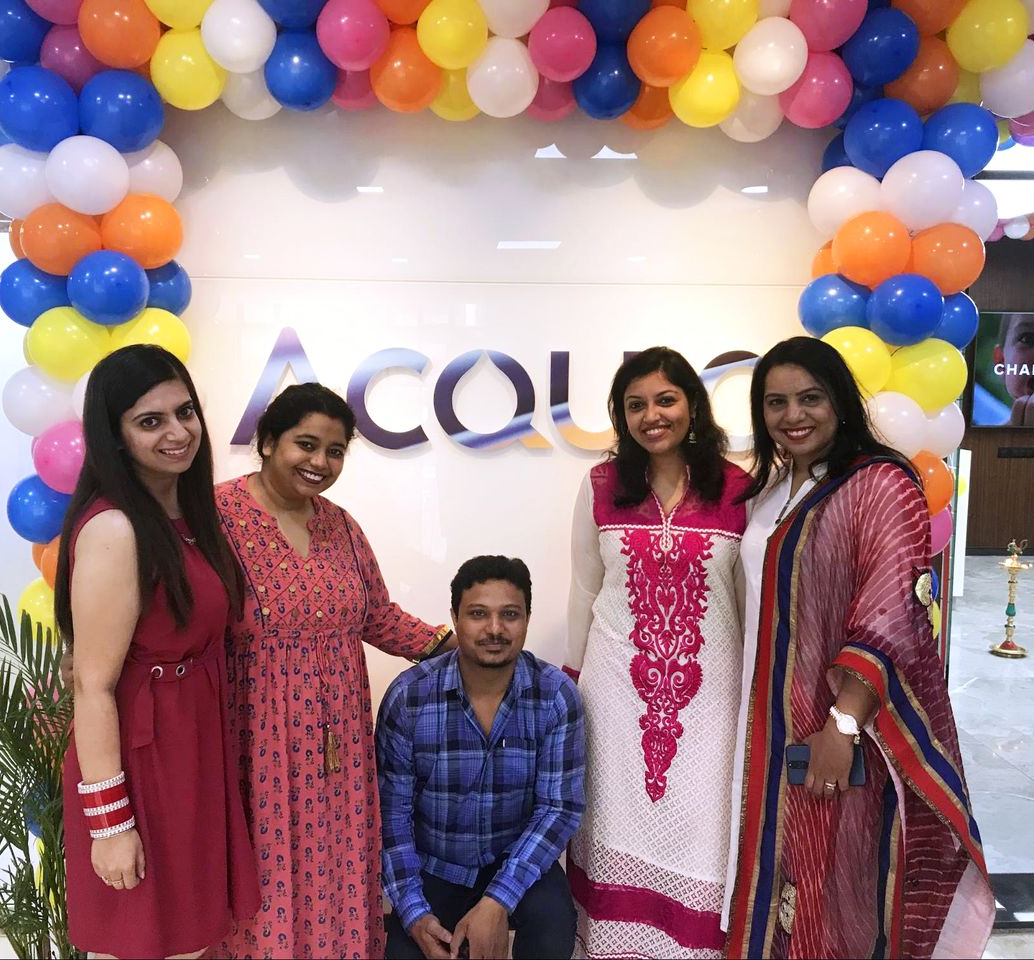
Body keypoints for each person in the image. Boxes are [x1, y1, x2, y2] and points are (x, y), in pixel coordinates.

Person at [724, 337, 994, 959]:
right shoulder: (772, 490)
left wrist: (841, 727)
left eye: (810, 398)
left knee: (834, 880)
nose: (793, 415)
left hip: (838, 729)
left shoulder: (880, 484)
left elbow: (892, 611)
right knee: (777, 876)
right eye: (776, 402)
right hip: (762, 722)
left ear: (841, 401)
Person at [214, 383, 454, 960]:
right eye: (306, 444)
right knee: (266, 880)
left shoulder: (341, 526)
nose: (320, 462)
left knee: (336, 871)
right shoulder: (216, 516)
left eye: (336, 451)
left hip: (339, 751)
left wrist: (457, 646)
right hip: (254, 747)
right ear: (267, 441)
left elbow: (377, 616)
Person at [55, 345, 258, 959]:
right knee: (141, 942)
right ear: (114, 437)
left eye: (184, 411)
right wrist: (110, 823)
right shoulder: (116, 528)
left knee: (187, 941)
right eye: (150, 421)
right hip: (143, 759)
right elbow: (92, 684)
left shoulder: (188, 513)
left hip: (191, 745)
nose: (178, 432)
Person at [566, 346, 749, 959]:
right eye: (635, 405)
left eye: (665, 400)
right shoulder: (600, 486)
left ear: (692, 404)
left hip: (710, 700)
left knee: (704, 831)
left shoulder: (739, 490)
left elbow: (746, 602)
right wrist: (571, 684)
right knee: (612, 821)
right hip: (614, 696)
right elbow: (584, 590)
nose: (652, 416)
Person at [378, 556, 585, 960]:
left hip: (514, 860)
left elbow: (558, 808)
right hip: (435, 865)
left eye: (510, 614)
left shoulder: (555, 695)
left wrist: (497, 901)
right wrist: (415, 914)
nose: (494, 629)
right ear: (454, 618)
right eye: (478, 614)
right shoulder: (409, 697)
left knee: (554, 925)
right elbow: (392, 817)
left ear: (527, 619)